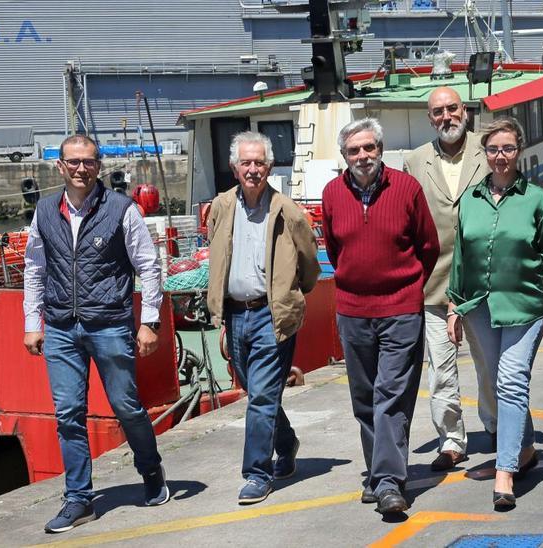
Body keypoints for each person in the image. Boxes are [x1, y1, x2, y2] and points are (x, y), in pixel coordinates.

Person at [22, 134, 169, 534]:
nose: (81, 168)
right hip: (61, 327)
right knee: (68, 413)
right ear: (60, 167)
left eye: (88, 161)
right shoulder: (44, 213)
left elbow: (149, 266)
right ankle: (79, 499)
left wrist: (149, 321)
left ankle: (151, 469)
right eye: (73, 162)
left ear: (98, 165)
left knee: (126, 407)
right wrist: (32, 322)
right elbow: (35, 268)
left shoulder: (122, 210)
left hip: (108, 324)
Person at [321, 118, 440, 515]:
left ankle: (389, 481)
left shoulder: (407, 189)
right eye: (354, 151)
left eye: (369, 148)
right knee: (364, 398)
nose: (363, 156)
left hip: (401, 309)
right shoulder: (332, 194)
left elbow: (428, 246)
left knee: (390, 395)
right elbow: (336, 251)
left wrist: (406, 290)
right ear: (344, 156)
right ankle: (377, 472)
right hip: (353, 310)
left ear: (381, 149)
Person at [446, 117, 543, 510]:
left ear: (519, 151)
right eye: (494, 149)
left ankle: (505, 471)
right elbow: (460, 258)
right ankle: (526, 448)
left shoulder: (536, 199)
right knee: (496, 383)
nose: (501, 157)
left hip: (526, 307)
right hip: (479, 306)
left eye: (508, 149)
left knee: (512, 381)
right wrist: (453, 307)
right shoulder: (470, 200)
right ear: (485, 152)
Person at [205, 131, 321, 505]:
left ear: (270, 167)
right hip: (236, 315)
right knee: (260, 394)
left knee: (259, 399)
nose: (252, 169)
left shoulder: (287, 210)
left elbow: (309, 263)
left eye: (259, 163)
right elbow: (217, 254)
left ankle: (257, 473)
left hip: (273, 316)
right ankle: (286, 444)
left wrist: (288, 295)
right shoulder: (221, 207)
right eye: (246, 163)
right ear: (234, 167)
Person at [403, 87, 492, 470]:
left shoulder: (488, 151)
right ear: (430, 118)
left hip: (485, 283)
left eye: (452, 109)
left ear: (465, 112)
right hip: (434, 283)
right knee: (440, 369)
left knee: (491, 363)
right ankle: (452, 440)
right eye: (437, 112)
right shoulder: (415, 160)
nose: (446, 117)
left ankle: (497, 424)